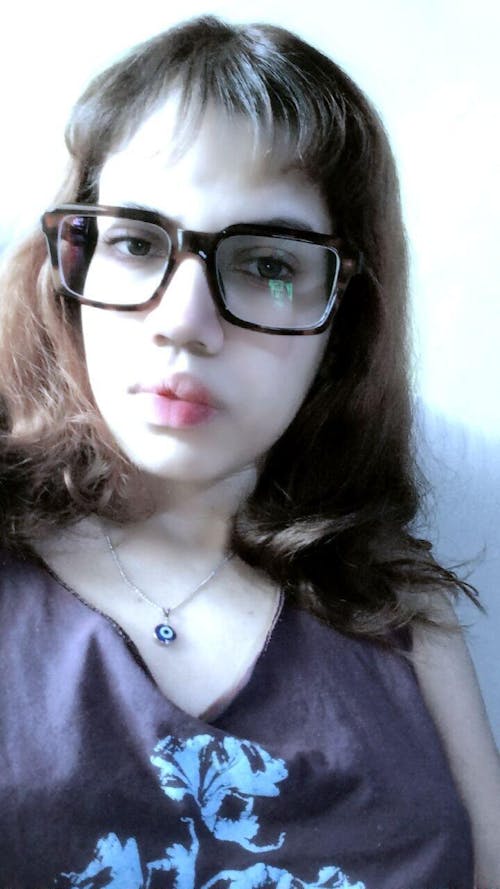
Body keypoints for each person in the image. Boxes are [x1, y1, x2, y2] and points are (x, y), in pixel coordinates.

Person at [0, 15, 498, 889]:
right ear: (68, 266)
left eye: (268, 262)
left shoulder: (403, 611)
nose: (185, 323)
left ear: (344, 319)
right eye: (134, 242)